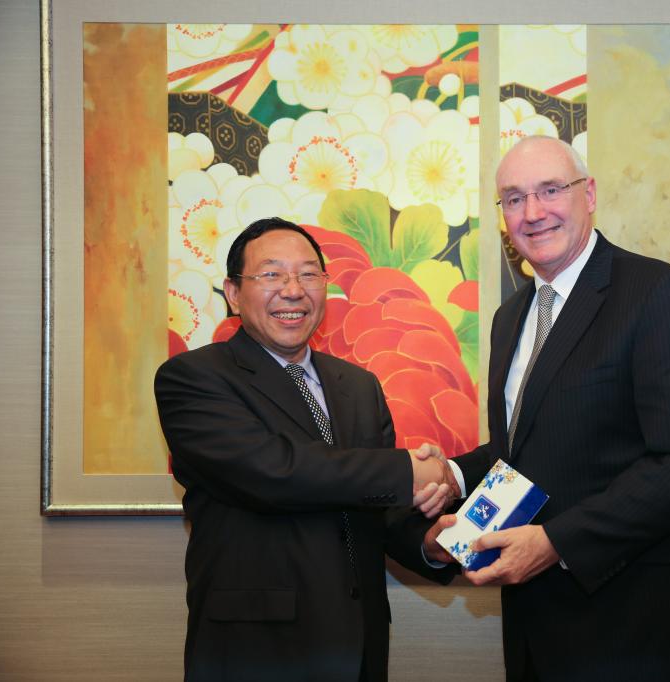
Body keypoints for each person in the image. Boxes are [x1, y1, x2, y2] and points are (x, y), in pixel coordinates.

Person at [427, 136, 670, 681]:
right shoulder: (510, 316)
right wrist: (451, 476)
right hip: (536, 619)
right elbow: (527, 448)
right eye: (514, 198)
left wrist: (556, 542)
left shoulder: (658, 292)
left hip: (635, 619)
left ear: (588, 194)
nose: (532, 212)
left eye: (550, 190)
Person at [155, 217, 455, 682]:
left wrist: (428, 544)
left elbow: (374, 509)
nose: (293, 290)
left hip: (358, 645)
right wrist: (408, 472)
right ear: (234, 293)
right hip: (255, 648)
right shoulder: (194, 378)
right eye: (271, 274)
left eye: (309, 274)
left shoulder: (359, 386)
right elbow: (273, 472)